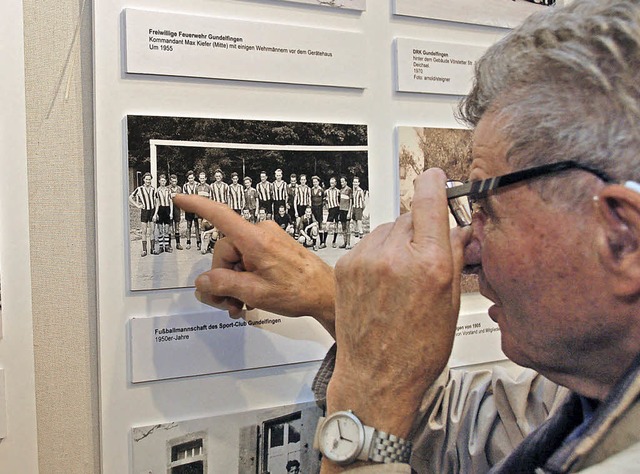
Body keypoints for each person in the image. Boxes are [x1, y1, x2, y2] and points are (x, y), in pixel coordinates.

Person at [175, 1, 640, 472]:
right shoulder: (602, 383)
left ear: (624, 239)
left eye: (486, 209)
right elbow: (476, 438)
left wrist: (366, 412)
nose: (467, 251)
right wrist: (335, 300)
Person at [128, 172, 156, 257]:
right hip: (144, 211)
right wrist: (137, 205)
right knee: (144, 231)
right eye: (146, 179)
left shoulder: (153, 189)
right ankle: (144, 250)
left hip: (152, 211)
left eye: (149, 179)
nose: (148, 181)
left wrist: (156, 212)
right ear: (144, 180)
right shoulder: (139, 189)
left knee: (152, 231)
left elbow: (156, 200)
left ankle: (153, 249)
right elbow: (130, 197)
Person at [153, 174, 173, 253]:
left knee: (167, 229)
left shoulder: (168, 190)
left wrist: (171, 212)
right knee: (160, 229)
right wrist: (156, 213)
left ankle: (167, 246)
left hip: (167, 209)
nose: (163, 182)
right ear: (159, 181)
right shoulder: (157, 191)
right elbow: (157, 203)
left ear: (166, 181)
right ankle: (161, 246)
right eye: (161, 181)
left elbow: (171, 201)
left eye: (164, 181)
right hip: (160, 209)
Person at [182, 170, 200, 250]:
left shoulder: (198, 184)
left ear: (194, 178)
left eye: (192, 178)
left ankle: (198, 242)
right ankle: (188, 242)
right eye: (189, 178)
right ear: (188, 179)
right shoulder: (185, 186)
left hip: (196, 209)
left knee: (196, 225)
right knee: (188, 225)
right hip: (189, 209)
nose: (191, 180)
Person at [311, 175, 327, 249]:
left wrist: (323, 207)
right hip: (313, 208)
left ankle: (322, 242)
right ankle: (313, 242)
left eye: (316, 182)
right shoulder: (311, 190)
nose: (315, 183)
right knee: (314, 225)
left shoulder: (321, 190)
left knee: (320, 225)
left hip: (319, 209)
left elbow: (325, 199)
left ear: (318, 182)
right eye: (313, 182)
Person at [324, 176, 341, 248]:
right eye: (331, 183)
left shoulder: (338, 191)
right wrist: (327, 205)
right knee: (327, 226)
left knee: (336, 226)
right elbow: (324, 200)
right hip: (330, 210)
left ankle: (334, 241)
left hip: (337, 209)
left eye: (333, 183)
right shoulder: (327, 191)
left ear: (335, 183)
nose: (332, 184)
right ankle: (323, 242)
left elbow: (340, 201)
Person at [168, 174, 183, 250]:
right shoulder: (167, 188)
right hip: (169, 209)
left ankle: (178, 243)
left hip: (177, 209)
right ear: (170, 181)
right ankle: (169, 244)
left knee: (177, 227)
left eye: (175, 181)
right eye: (172, 181)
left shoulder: (179, 188)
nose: (174, 182)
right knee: (170, 228)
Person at [337, 176, 352, 249]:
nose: (342, 183)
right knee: (343, 228)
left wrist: (349, 212)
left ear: (346, 182)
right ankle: (345, 242)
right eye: (341, 182)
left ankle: (348, 244)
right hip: (341, 210)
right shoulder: (340, 190)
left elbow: (351, 202)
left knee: (347, 227)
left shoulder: (349, 189)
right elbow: (340, 202)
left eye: (343, 181)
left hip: (347, 211)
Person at [351, 176, 367, 241]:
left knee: (359, 223)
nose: (355, 183)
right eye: (354, 182)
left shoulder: (360, 191)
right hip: (354, 208)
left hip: (359, 208)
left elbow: (363, 202)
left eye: (356, 182)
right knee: (354, 224)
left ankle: (361, 238)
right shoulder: (353, 191)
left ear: (358, 183)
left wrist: (361, 210)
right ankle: (356, 240)